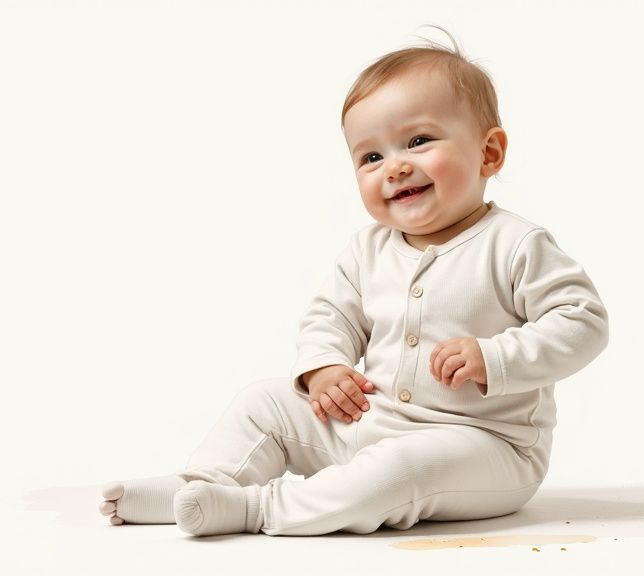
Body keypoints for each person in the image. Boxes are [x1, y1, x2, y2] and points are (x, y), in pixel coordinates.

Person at [97, 29, 609, 537]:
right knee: (264, 402)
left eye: (418, 141)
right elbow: (331, 316)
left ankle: (258, 509)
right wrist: (324, 367)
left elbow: (583, 321)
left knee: (400, 469)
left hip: (484, 449)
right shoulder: (369, 250)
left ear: (489, 153)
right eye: (371, 157)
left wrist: (496, 357)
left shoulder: (515, 244)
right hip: (374, 420)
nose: (395, 167)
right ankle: (202, 483)